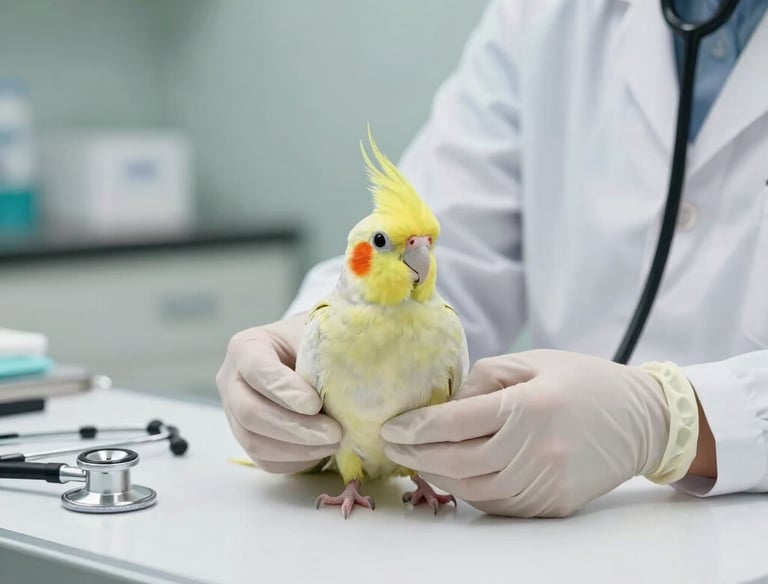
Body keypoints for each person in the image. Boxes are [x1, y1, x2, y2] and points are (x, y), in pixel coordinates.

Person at [216, 0, 768, 517]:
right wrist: (304, 348)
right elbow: (455, 244)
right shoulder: (542, 15)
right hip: (571, 531)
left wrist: (678, 418)